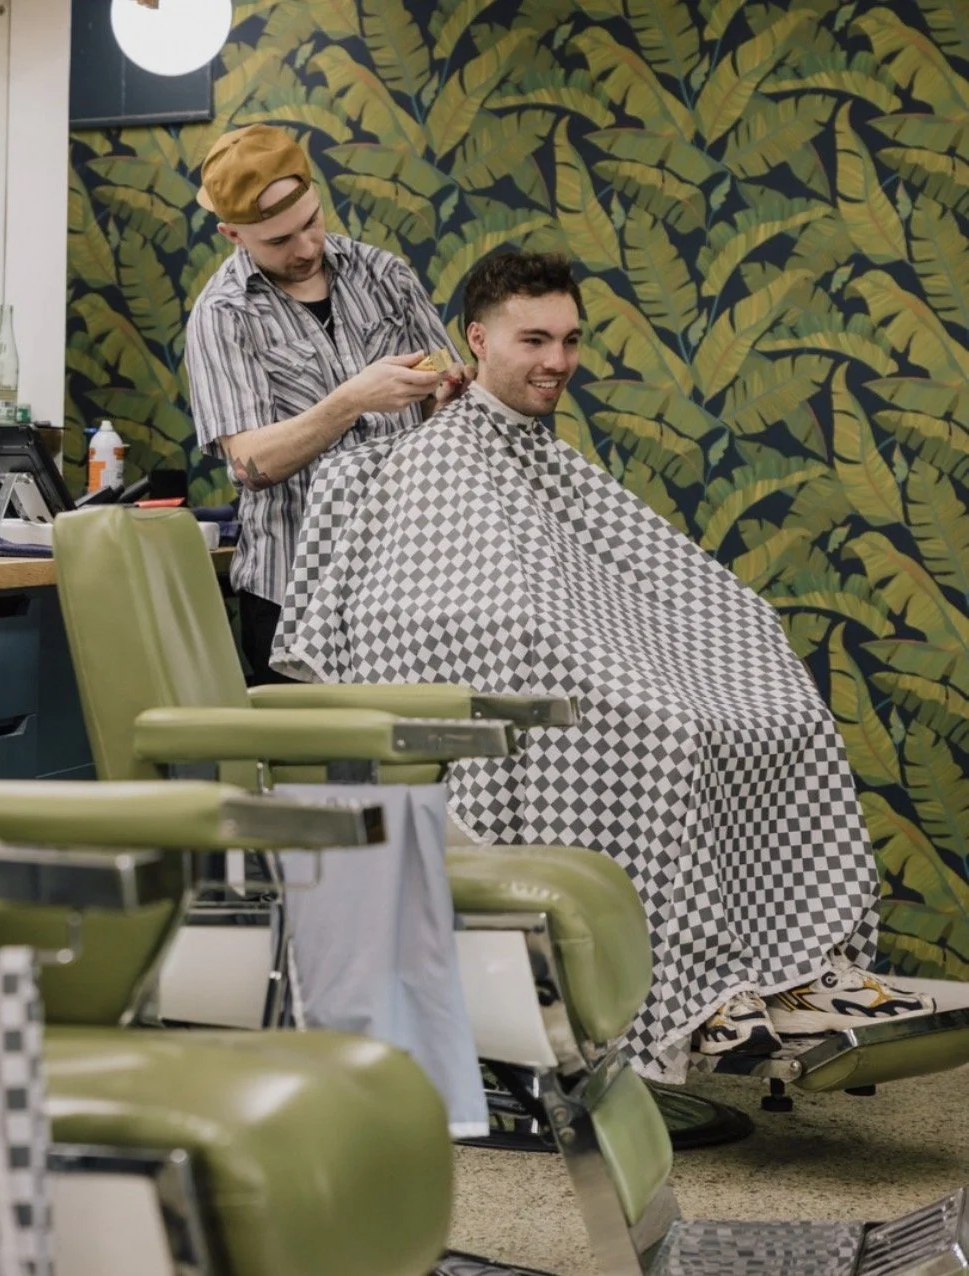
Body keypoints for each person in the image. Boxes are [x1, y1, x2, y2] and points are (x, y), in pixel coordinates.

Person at [272, 250, 935, 1081]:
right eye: (534, 340)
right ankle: (688, 995)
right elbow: (442, 611)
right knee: (671, 734)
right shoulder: (436, 461)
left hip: (586, 668)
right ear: (478, 339)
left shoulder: (538, 456)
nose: (557, 361)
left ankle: (794, 970)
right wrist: (566, 655)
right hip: (524, 691)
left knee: (785, 717)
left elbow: (637, 580)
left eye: (571, 340)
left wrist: (719, 634)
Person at [184, 123, 471, 684]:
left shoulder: (386, 275)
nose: (307, 246)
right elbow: (250, 464)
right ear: (232, 234)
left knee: (412, 761)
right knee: (318, 768)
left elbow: (443, 395)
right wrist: (350, 401)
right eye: (279, 240)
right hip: (292, 595)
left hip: (405, 582)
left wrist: (446, 398)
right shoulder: (222, 316)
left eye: (312, 221)